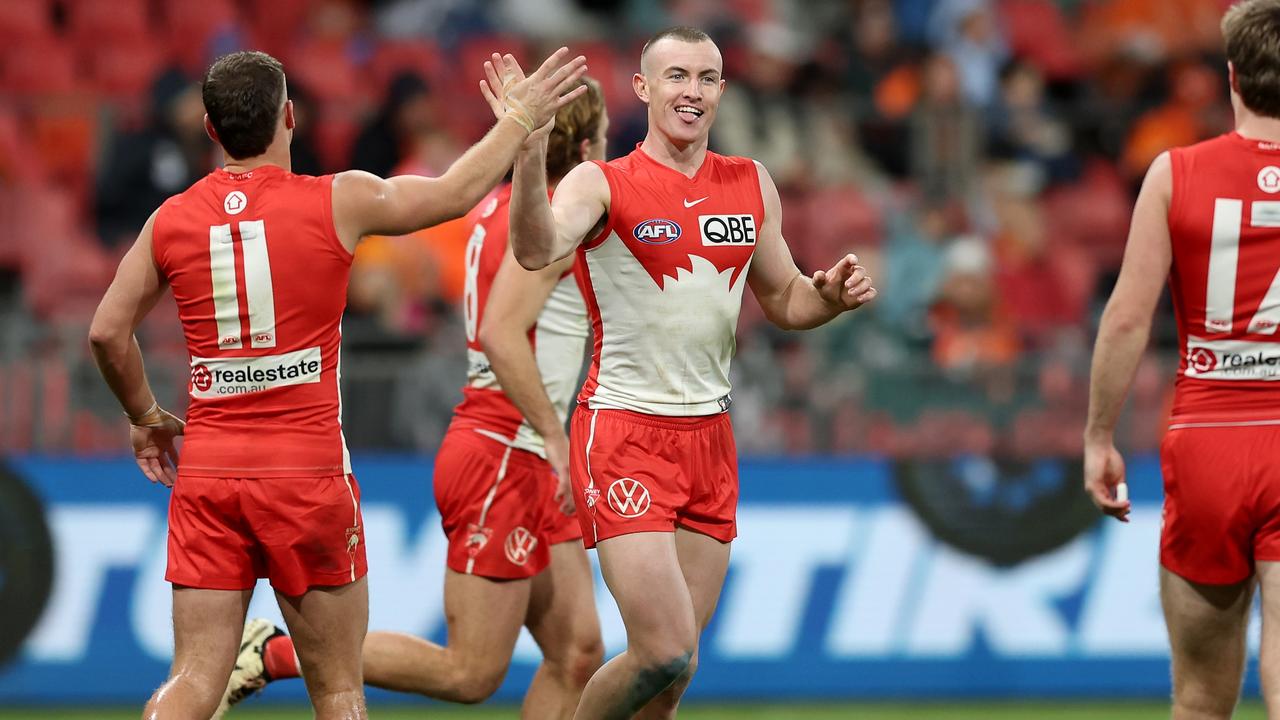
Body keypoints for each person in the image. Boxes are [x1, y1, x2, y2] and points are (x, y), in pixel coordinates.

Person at [87, 47, 587, 720]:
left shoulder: (171, 219)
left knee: (193, 680)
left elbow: (106, 333)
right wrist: (519, 119)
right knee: (339, 688)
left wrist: (145, 413)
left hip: (209, 473)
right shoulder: (338, 200)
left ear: (209, 130)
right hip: (307, 475)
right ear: (290, 116)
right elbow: (457, 191)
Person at [496, 27, 877, 718]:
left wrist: (827, 298)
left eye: (706, 78)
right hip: (623, 434)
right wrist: (528, 153)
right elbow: (533, 249)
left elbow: (785, 298)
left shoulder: (750, 183)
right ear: (643, 89)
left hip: (710, 438)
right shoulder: (600, 182)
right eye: (676, 76)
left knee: (672, 679)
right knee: (664, 647)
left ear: (722, 92)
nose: (691, 91)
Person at [220, 78, 610, 718]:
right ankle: (276, 653)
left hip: (519, 451)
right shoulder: (558, 231)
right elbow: (503, 335)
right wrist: (557, 433)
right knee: (470, 672)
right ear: (591, 143)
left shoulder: (504, 207)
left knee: (579, 652)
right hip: (506, 449)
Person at [1083, 2, 1280, 718]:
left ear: (1231, 76)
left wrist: (1099, 437)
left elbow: (1128, 317)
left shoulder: (1175, 172)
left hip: (1210, 443)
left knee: (1200, 700)